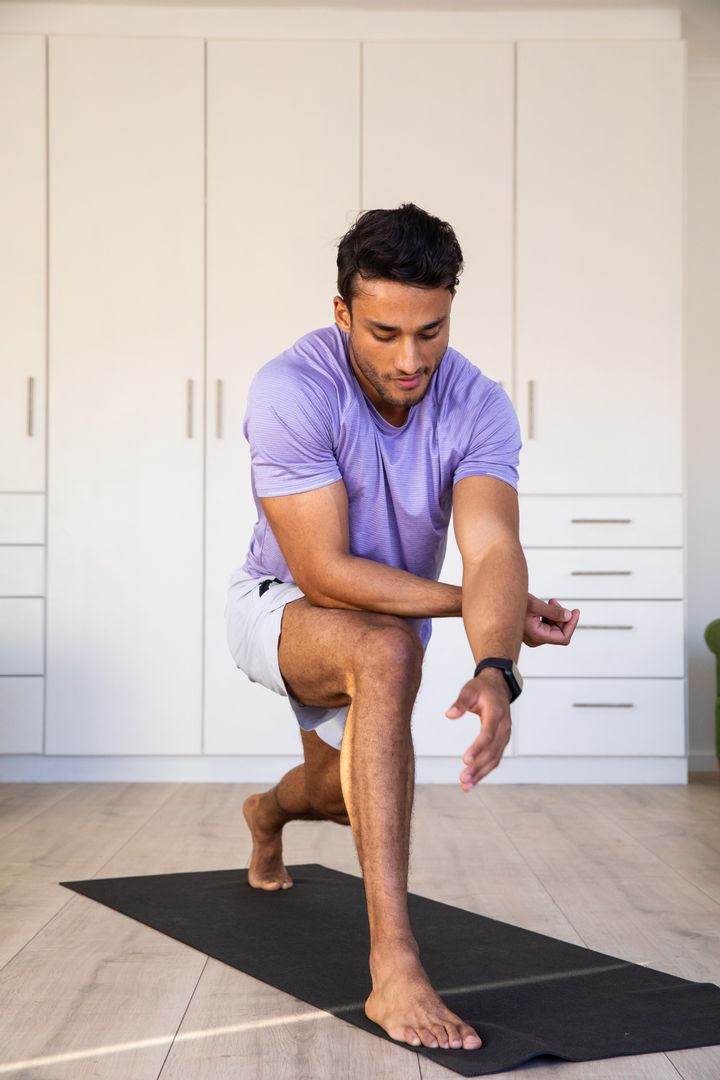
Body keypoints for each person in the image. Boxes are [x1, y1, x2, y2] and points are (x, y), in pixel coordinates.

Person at [225, 203, 581, 1053]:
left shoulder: (479, 404)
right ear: (342, 312)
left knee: (337, 796)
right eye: (384, 332)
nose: (410, 359)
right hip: (280, 605)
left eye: (432, 331)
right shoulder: (293, 388)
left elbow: (494, 547)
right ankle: (395, 966)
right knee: (384, 650)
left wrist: (497, 667)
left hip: (389, 618)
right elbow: (326, 572)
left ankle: (267, 816)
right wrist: (479, 605)